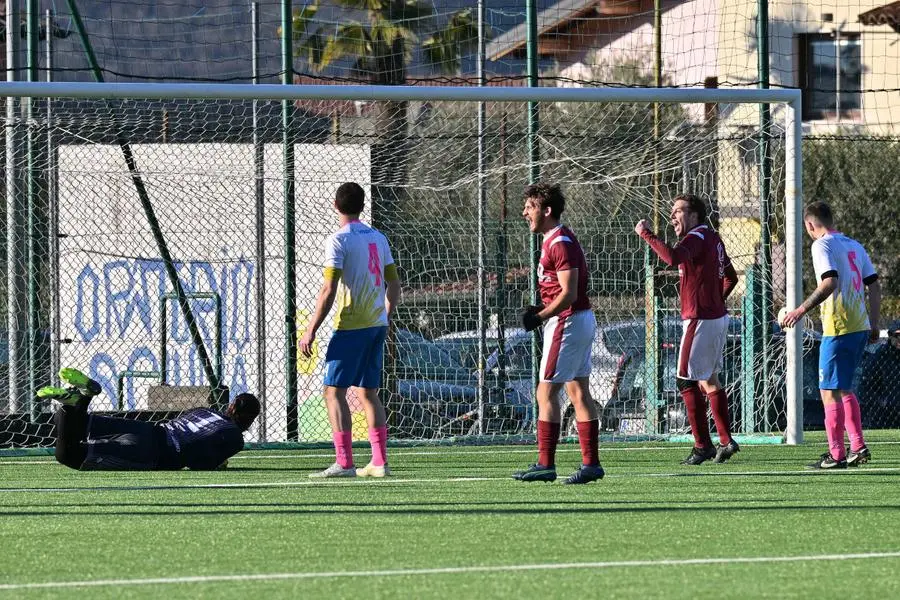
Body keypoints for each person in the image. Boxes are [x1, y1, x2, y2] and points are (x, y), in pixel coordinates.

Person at [299, 182, 401, 478]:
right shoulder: (378, 238)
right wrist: (385, 314)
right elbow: (393, 284)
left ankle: (344, 462)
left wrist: (310, 330)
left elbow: (329, 289)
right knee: (369, 393)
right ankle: (379, 461)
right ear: (362, 205)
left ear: (335, 205)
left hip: (351, 325)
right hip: (376, 324)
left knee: (333, 392)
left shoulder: (338, 240)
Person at [635, 194, 740, 465]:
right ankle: (726, 441)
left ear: (694, 216)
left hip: (700, 319)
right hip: (716, 318)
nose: (672, 218)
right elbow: (731, 276)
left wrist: (646, 233)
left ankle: (702, 445)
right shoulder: (713, 239)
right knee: (708, 379)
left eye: (677, 211)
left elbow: (671, 257)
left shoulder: (696, 238)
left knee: (685, 379)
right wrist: (715, 302)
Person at [513, 182, 604, 484]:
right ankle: (591, 464)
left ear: (547, 210)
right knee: (577, 391)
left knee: (546, 391)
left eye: (530, 207)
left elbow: (568, 293)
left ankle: (545, 463)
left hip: (567, 320)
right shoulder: (554, 239)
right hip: (576, 319)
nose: (524, 212)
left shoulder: (559, 242)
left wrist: (539, 316)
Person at [781, 201, 880, 469]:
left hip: (839, 326)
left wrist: (800, 310)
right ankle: (857, 447)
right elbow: (873, 284)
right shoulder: (854, 245)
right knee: (843, 388)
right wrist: (874, 322)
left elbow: (830, 281)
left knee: (828, 392)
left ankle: (836, 455)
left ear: (810, 225)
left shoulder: (821, 245)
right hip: (859, 325)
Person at [38, 368, 259, 471]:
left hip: (150, 429)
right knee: (69, 456)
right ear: (250, 420)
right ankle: (77, 400)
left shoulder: (205, 410)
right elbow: (197, 461)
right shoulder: (233, 437)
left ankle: (80, 400)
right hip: (153, 452)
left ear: (230, 406)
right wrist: (217, 464)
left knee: (73, 423)